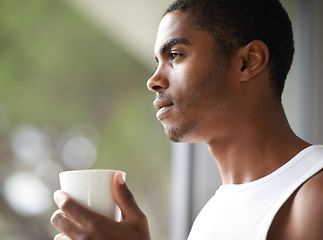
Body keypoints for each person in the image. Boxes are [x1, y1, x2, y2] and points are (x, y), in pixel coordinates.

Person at [51, 0, 323, 239]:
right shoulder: (209, 217)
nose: (153, 80)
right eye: (157, 61)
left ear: (248, 62)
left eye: (174, 55)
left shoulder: (314, 193)